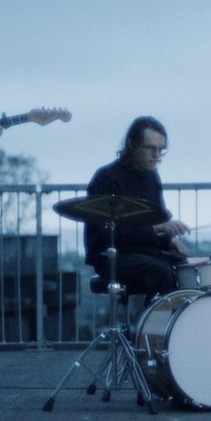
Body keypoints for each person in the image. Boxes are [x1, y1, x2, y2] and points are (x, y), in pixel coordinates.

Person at [84, 116, 189, 306]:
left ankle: (173, 321)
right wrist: (158, 229)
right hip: (112, 256)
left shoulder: (152, 177)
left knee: (186, 270)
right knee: (161, 273)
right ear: (132, 144)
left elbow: (155, 222)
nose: (156, 155)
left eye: (161, 150)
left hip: (145, 252)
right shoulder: (107, 178)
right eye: (150, 148)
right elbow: (108, 234)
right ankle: (155, 324)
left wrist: (170, 242)